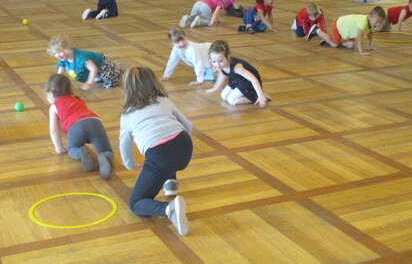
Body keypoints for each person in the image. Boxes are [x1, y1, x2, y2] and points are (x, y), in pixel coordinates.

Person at [119, 66, 193, 236]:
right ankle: (171, 183)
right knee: (169, 149)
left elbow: (124, 145)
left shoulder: (127, 115)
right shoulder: (164, 101)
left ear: (127, 89)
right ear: (153, 82)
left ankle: (168, 209)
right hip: (185, 146)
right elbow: (188, 126)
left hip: (159, 156)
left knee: (135, 203)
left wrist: (130, 165)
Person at [44, 73, 114, 179]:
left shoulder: (54, 106)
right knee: (106, 149)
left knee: (72, 149)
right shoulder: (77, 99)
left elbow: (54, 131)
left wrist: (59, 148)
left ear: (51, 92)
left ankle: (80, 152)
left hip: (75, 126)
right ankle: (104, 155)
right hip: (95, 121)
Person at [205, 40, 269, 107]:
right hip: (237, 80)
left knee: (231, 100)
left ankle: (258, 97)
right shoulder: (222, 66)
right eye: (214, 62)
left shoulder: (237, 68)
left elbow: (253, 79)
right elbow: (222, 76)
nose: (217, 65)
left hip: (248, 83)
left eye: (220, 61)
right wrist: (214, 89)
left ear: (228, 57)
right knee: (223, 96)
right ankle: (247, 94)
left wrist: (260, 95)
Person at [47, 34, 120, 90]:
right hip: (91, 65)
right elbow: (60, 75)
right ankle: (105, 71)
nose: (57, 55)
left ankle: (115, 70)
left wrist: (89, 83)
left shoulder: (81, 57)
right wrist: (55, 84)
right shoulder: (63, 59)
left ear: (67, 48)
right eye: (55, 53)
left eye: (59, 52)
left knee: (111, 83)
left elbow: (93, 69)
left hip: (102, 62)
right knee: (98, 79)